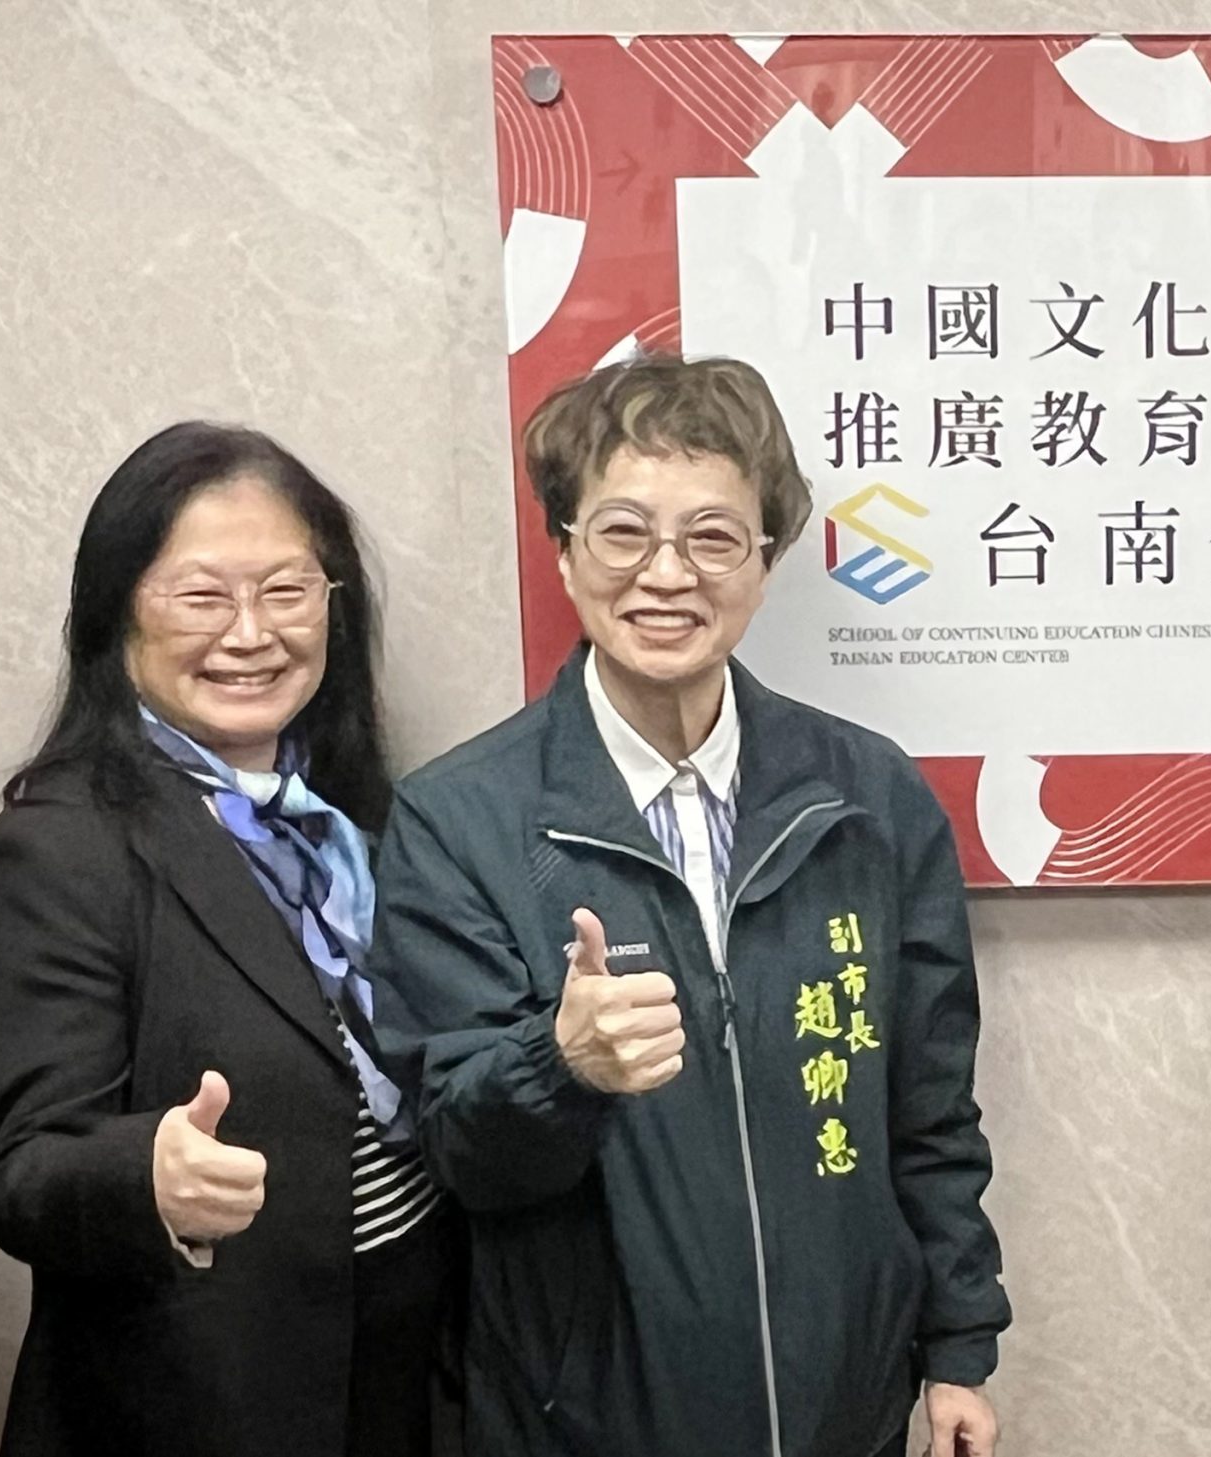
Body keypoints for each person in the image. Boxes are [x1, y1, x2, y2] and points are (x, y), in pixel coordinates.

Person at [368, 353, 1008, 1457]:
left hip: (846, 1410)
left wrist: (958, 1345)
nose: (666, 574)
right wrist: (559, 1064)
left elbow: (929, 1109)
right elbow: (460, 1154)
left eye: (714, 537)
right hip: (587, 1423)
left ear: (766, 562)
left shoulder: (869, 798)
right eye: (623, 532)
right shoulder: (458, 819)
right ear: (564, 550)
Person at [0, 422, 454, 1457]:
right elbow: (21, 1171)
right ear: (117, 612)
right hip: (204, 1402)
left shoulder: (354, 817)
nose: (251, 631)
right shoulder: (48, 851)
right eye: (201, 596)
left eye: (287, 589)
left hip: (407, 1370)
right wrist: (145, 1172)